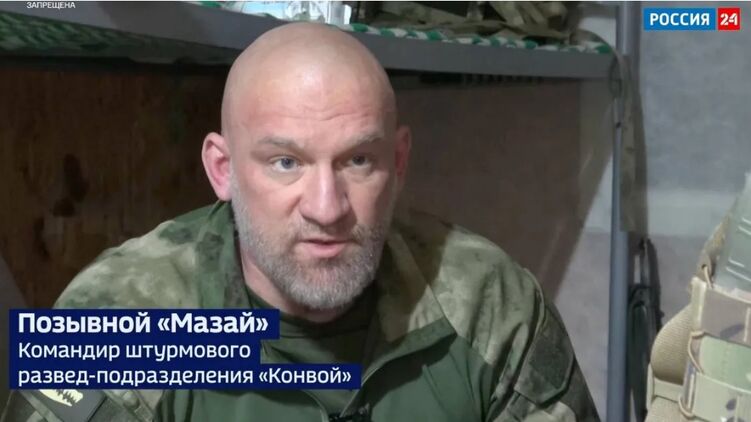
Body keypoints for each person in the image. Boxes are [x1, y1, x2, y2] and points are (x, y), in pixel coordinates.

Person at [2, 22, 599, 422]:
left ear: (398, 163)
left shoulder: (490, 304)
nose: (327, 208)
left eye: (358, 161)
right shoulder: (116, 320)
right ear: (222, 170)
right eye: (285, 163)